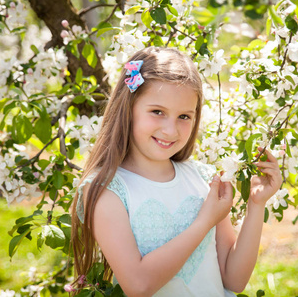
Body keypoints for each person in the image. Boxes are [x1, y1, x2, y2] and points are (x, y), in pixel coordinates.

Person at [71, 46, 282, 296]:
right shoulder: (107, 189)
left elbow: (234, 280)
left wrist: (256, 205)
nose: (171, 130)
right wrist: (205, 222)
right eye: (157, 112)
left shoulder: (204, 179)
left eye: (184, 116)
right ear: (128, 108)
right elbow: (138, 285)